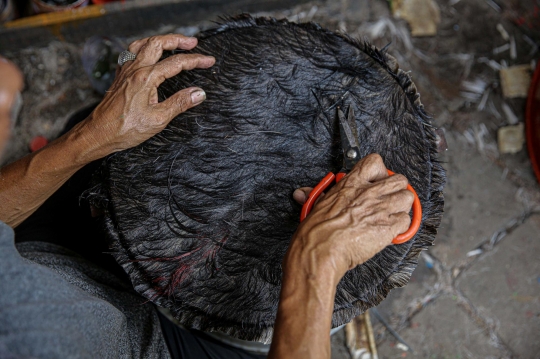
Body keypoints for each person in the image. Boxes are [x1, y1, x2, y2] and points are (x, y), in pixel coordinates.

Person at [0, 34, 413, 359]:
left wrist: (89, 137)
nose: (9, 94)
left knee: (85, 128)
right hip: (146, 345)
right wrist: (316, 260)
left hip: (45, 266)